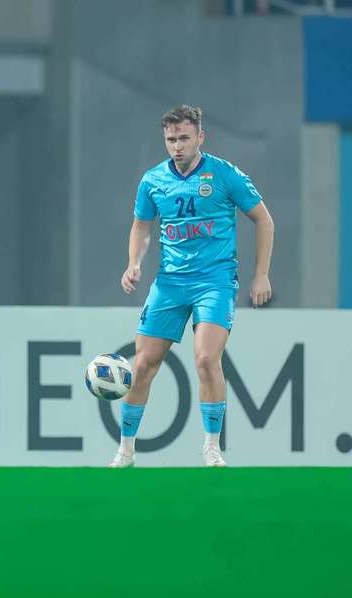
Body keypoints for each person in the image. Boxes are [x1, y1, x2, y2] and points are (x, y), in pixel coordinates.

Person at [109, 105, 274, 468]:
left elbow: (263, 219)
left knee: (205, 358)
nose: (177, 146)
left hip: (214, 281)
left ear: (201, 137)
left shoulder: (224, 174)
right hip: (169, 283)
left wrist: (261, 273)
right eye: (171, 139)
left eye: (184, 138)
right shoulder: (152, 181)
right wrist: (133, 263)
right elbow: (141, 226)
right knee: (144, 365)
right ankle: (125, 451)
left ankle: (212, 446)